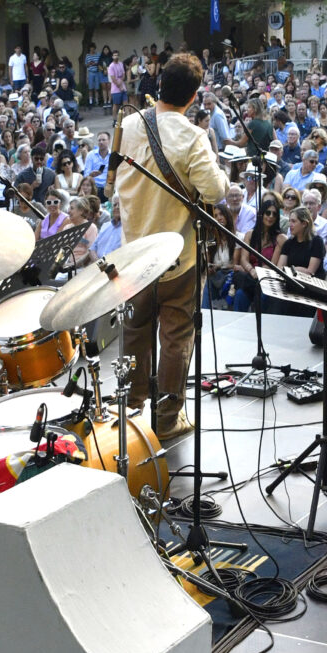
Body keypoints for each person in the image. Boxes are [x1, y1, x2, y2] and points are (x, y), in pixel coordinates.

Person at [112, 52, 231, 439]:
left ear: (158, 84)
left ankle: (130, 410)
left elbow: (111, 176)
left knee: (135, 330)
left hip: (133, 253)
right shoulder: (191, 135)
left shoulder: (127, 124)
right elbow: (215, 190)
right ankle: (166, 419)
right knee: (176, 335)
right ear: (194, 96)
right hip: (177, 258)